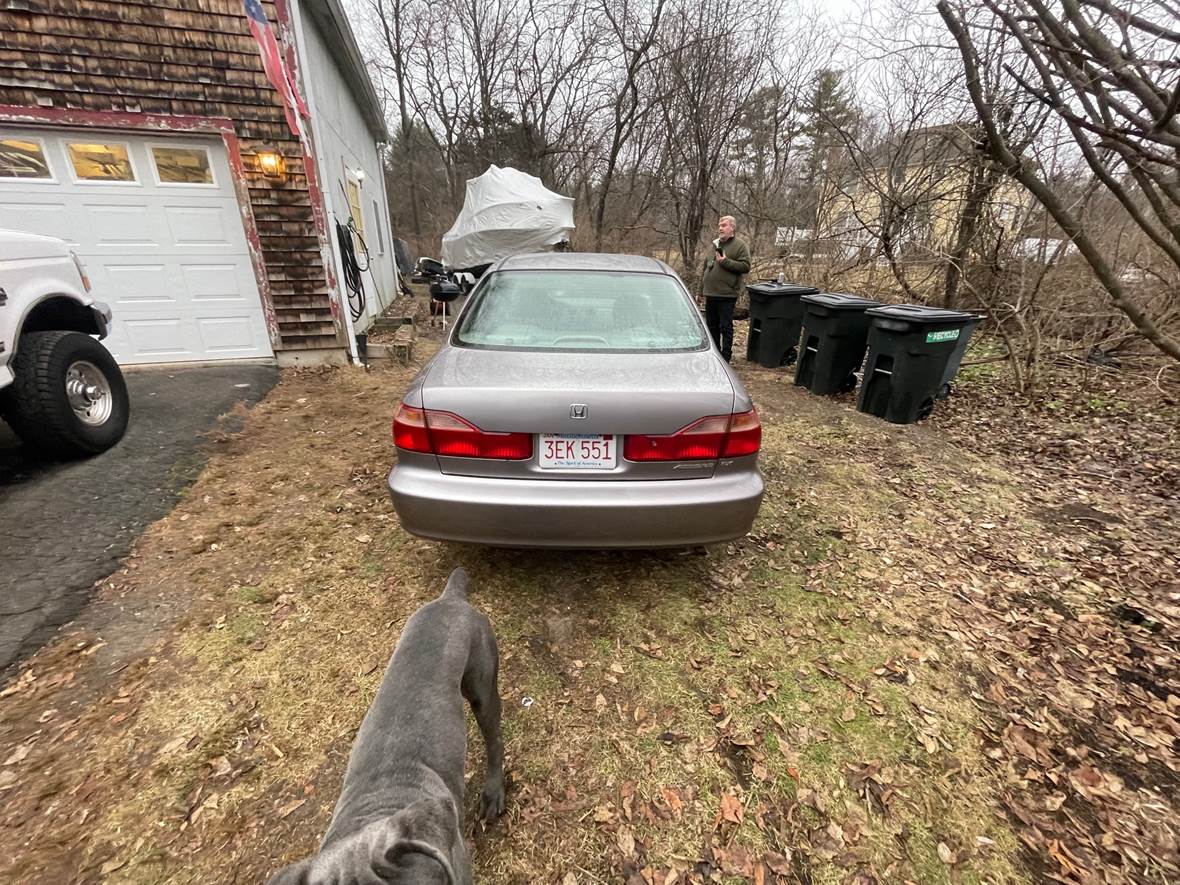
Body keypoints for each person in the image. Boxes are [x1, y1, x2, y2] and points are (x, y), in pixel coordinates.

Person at [700, 215, 751, 362]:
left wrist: (725, 262)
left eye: (724, 225)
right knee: (711, 327)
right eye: (719, 225)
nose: (720, 228)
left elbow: (745, 266)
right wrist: (700, 291)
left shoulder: (739, 245)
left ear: (732, 228)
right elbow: (705, 268)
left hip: (726, 294)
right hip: (710, 293)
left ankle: (726, 357)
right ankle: (715, 355)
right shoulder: (715, 245)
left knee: (725, 327)